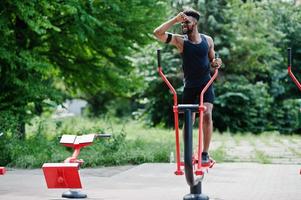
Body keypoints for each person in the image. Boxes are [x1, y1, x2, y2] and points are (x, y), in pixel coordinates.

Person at [153, 8, 222, 166]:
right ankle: (188, 153)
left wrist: (217, 62)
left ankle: (204, 154)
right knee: (189, 119)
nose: (184, 25)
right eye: (182, 22)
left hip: (206, 84)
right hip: (190, 85)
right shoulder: (180, 41)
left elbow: (214, 60)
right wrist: (175, 20)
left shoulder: (208, 40)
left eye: (187, 22)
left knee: (207, 114)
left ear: (195, 23)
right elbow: (157, 33)